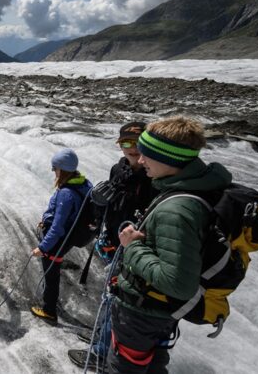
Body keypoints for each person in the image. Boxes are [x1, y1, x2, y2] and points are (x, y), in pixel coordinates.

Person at [109, 116, 232, 373]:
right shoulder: (192, 188)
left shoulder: (177, 209)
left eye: (147, 155)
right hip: (160, 312)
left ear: (168, 159)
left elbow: (178, 283)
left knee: (125, 367)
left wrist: (132, 246)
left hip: (144, 311)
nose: (140, 160)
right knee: (153, 364)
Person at [69, 122, 159, 369]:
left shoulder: (154, 176)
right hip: (113, 243)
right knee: (109, 296)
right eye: (126, 143)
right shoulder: (117, 170)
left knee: (116, 300)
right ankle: (102, 336)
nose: (132, 148)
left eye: (138, 143)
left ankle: (101, 352)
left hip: (134, 251)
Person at [31, 148, 93, 325]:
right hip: (71, 237)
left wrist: (42, 248)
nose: (53, 172)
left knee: (51, 275)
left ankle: (49, 310)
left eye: (55, 168)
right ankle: (51, 300)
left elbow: (57, 228)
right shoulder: (84, 183)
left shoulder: (66, 193)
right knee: (53, 270)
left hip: (57, 242)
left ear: (61, 169)